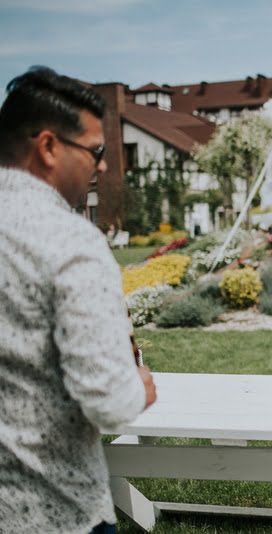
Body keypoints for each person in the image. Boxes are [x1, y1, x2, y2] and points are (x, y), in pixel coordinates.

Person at [0, 66, 157, 534]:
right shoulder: (70, 241)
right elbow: (107, 401)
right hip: (53, 507)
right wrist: (140, 387)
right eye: (96, 151)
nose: (103, 166)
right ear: (47, 147)